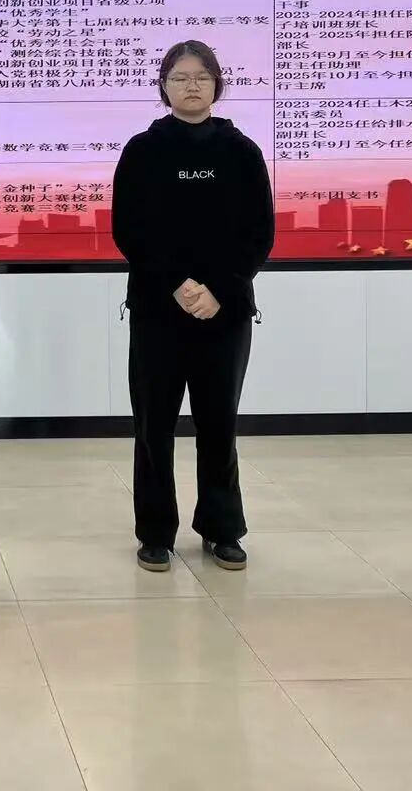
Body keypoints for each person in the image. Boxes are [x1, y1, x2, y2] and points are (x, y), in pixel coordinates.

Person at [111, 39, 274, 574]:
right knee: (153, 427)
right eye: (180, 77)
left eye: (202, 77)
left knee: (218, 423)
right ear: (164, 86)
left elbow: (259, 235)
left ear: (217, 84)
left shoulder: (241, 152)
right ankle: (155, 534)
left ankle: (223, 530)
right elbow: (129, 231)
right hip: (158, 310)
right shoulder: (143, 150)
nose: (192, 86)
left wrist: (218, 290)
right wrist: (178, 285)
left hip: (225, 312)